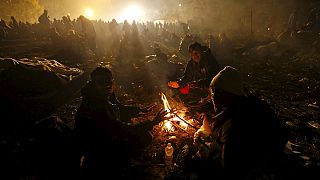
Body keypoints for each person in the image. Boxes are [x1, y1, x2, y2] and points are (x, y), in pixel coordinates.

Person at [190, 66, 290, 179]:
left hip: (252, 166)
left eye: (217, 92)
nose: (213, 96)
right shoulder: (250, 102)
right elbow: (284, 131)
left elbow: (229, 167)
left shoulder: (233, 123)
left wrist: (205, 149)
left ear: (229, 93)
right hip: (268, 152)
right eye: (213, 92)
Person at [73, 66, 169, 179]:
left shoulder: (105, 94)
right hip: (97, 147)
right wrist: (151, 123)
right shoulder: (94, 106)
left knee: (140, 133)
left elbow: (119, 107)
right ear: (94, 83)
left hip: (109, 133)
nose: (107, 85)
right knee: (144, 137)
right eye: (101, 82)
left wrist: (138, 110)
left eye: (109, 80)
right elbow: (120, 129)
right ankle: (117, 162)